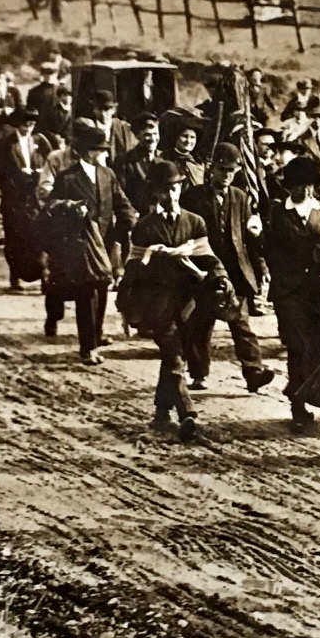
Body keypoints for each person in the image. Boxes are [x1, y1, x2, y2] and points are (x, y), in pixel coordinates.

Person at [123, 160, 219, 440]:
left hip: (189, 301)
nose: (171, 195)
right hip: (158, 302)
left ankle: (161, 408)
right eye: (165, 190)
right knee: (174, 354)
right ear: (156, 193)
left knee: (175, 355)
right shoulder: (144, 227)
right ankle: (188, 413)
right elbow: (133, 267)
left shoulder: (194, 222)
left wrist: (219, 279)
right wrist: (126, 303)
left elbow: (208, 258)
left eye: (175, 188)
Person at [261, 155, 320, 431]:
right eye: (299, 185)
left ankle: (309, 393)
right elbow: (268, 249)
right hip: (290, 290)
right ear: (289, 187)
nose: (305, 190)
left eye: (310, 185)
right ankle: (297, 405)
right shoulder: (277, 212)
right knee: (298, 345)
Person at [182, 144, 277, 391]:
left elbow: (249, 240)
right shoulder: (194, 197)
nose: (226, 176)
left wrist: (261, 266)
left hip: (235, 271)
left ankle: (254, 372)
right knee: (201, 325)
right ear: (211, 168)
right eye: (222, 170)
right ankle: (199, 374)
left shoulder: (240, 198)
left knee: (241, 323)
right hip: (204, 269)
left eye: (231, 171)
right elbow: (186, 235)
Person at [43, 118, 135, 365]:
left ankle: (96, 335)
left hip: (104, 243)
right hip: (79, 244)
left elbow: (121, 203)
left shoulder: (107, 174)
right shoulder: (68, 178)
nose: (102, 154)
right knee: (86, 295)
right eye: (98, 150)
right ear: (86, 152)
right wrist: (70, 208)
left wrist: (128, 223)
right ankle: (87, 348)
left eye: (104, 150)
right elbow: (51, 206)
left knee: (102, 291)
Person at [0, 104, 49, 290]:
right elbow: (0, 171)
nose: (28, 129)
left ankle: (43, 276)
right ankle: (15, 277)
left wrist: (38, 174)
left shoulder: (40, 141)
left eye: (32, 125)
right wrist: (18, 177)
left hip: (35, 198)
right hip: (15, 198)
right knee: (15, 239)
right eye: (25, 125)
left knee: (38, 236)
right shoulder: (6, 144)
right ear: (18, 125)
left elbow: (49, 164)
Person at [114, 113, 165, 213]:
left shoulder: (164, 158)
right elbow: (120, 193)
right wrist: (132, 214)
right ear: (137, 136)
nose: (153, 139)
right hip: (135, 217)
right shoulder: (125, 161)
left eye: (155, 134)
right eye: (147, 135)